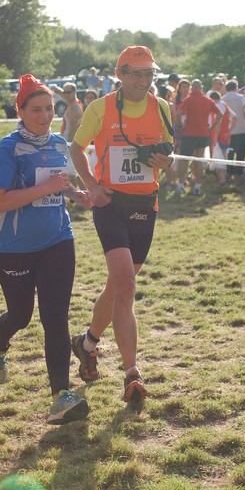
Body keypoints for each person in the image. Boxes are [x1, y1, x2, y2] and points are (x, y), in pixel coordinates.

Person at [69, 46, 174, 403]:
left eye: (148, 74)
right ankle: (132, 373)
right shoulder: (100, 108)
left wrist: (165, 160)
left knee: (117, 286)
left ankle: (87, 344)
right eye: (135, 74)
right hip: (110, 204)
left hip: (146, 204)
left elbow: (167, 156)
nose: (142, 81)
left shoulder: (161, 107)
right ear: (120, 74)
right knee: (126, 283)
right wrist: (92, 187)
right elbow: (76, 148)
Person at [0, 74, 91, 425]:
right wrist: (45, 187)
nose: (45, 115)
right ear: (21, 110)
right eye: (37, 109)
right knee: (20, 315)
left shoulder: (60, 143)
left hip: (58, 240)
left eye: (49, 108)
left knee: (56, 318)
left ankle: (60, 395)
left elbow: (63, 183)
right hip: (13, 248)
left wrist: (78, 195)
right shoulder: (7, 148)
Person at [175, 79, 222, 196]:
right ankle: (198, 185)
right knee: (199, 159)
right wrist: (212, 127)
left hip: (189, 134)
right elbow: (220, 114)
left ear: (192, 87)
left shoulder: (188, 100)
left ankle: (181, 185)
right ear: (201, 88)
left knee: (184, 159)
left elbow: (179, 113)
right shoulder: (207, 100)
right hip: (203, 134)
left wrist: (180, 125)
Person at [221, 80, 245, 179]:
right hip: (241, 127)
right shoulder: (242, 98)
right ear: (236, 88)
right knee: (241, 152)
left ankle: (229, 171)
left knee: (230, 151)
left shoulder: (222, 99)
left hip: (228, 129)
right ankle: (239, 172)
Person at [209, 91, 237, 185]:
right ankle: (223, 177)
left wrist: (215, 138)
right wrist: (229, 130)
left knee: (218, 157)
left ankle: (222, 179)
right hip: (225, 135)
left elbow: (219, 124)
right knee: (223, 156)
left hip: (219, 136)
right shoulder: (225, 104)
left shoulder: (217, 106)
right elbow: (235, 117)